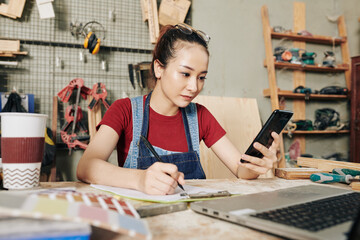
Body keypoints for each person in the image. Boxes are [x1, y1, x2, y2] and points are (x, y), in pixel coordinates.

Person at [77, 23, 280, 195]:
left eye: (201, 77)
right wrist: (140, 180)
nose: (194, 87)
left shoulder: (200, 116)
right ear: (159, 68)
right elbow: (86, 167)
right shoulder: (124, 110)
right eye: (185, 74)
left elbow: (239, 169)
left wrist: (257, 164)